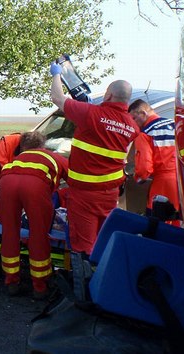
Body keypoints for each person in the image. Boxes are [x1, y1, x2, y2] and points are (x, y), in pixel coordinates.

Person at [51, 63, 138, 300]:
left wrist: (57, 75)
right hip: (110, 195)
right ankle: (106, 290)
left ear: (108, 94)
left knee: (82, 246)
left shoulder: (91, 114)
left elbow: (57, 98)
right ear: (127, 101)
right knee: (103, 241)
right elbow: (125, 160)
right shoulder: (131, 126)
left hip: (84, 195)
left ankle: (85, 297)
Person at [0, 131, 68, 300]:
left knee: (10, 232)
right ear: (42, 145)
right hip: (34, 186)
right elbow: (76, 179)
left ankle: (12, 282)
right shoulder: (53, 157)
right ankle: (40, 286)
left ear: (22, 146)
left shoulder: (17, 159)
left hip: (6, 182)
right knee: (38, 234)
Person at [128, 99, 179, 223]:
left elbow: (144, 169)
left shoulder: (145, 134)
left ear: (143, 113)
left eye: (134, 119)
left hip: (162, 186)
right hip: (183, 183)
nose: (133, 124)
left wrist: (138, 179)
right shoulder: (175, 125)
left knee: (157, 227)